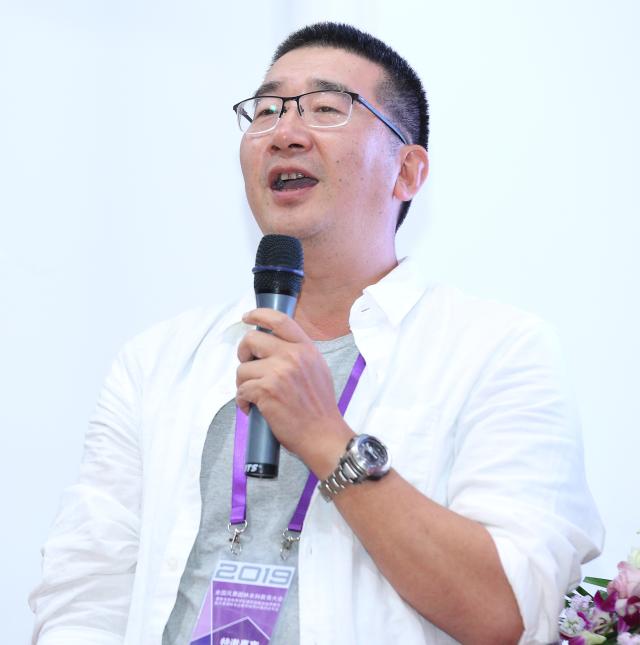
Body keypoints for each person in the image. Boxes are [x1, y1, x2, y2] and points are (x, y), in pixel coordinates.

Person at [30, 21, 603, 645]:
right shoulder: (157, 361)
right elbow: (84, 590)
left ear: (407, 171)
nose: (285, 133)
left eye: (327, 109)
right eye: (266, 110)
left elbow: (509, 612)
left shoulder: (498, 351)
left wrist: (325, 436)